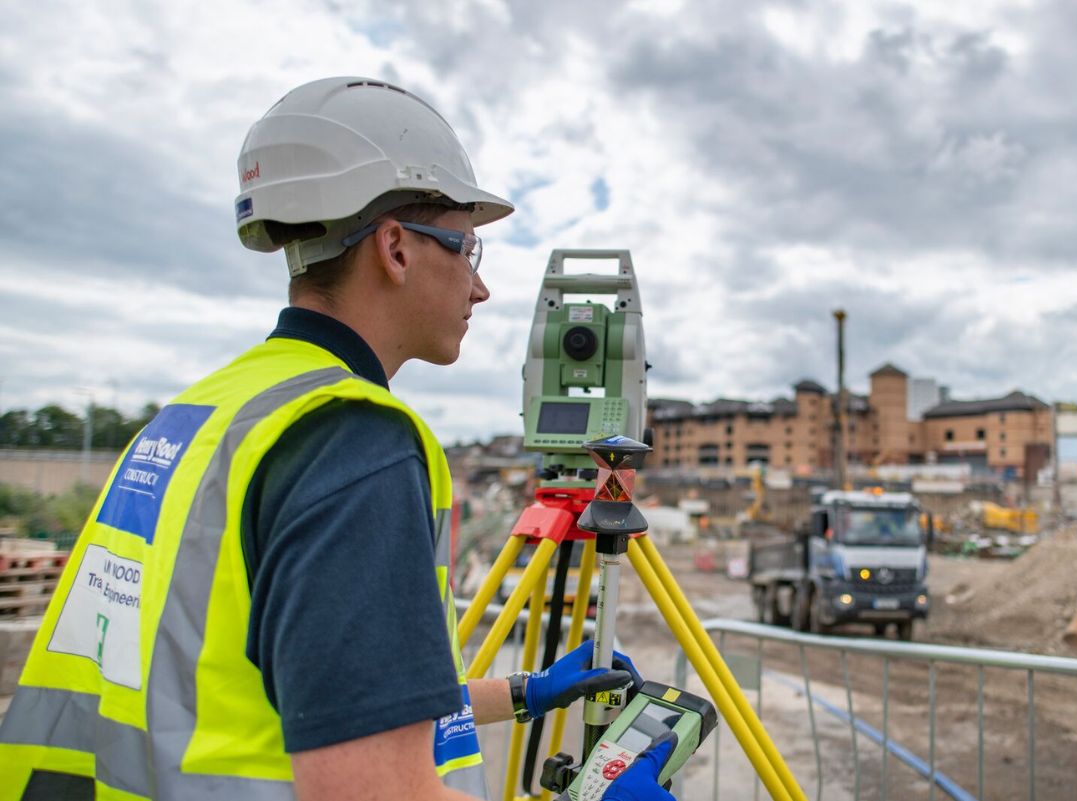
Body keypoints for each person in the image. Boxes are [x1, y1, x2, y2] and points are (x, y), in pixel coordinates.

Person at [0, 77, 672, 800]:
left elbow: (296, 691)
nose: (479, 290)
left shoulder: (209, 412)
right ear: (396, 249)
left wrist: (519, 692)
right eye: (468, 249)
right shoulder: (354, 445)